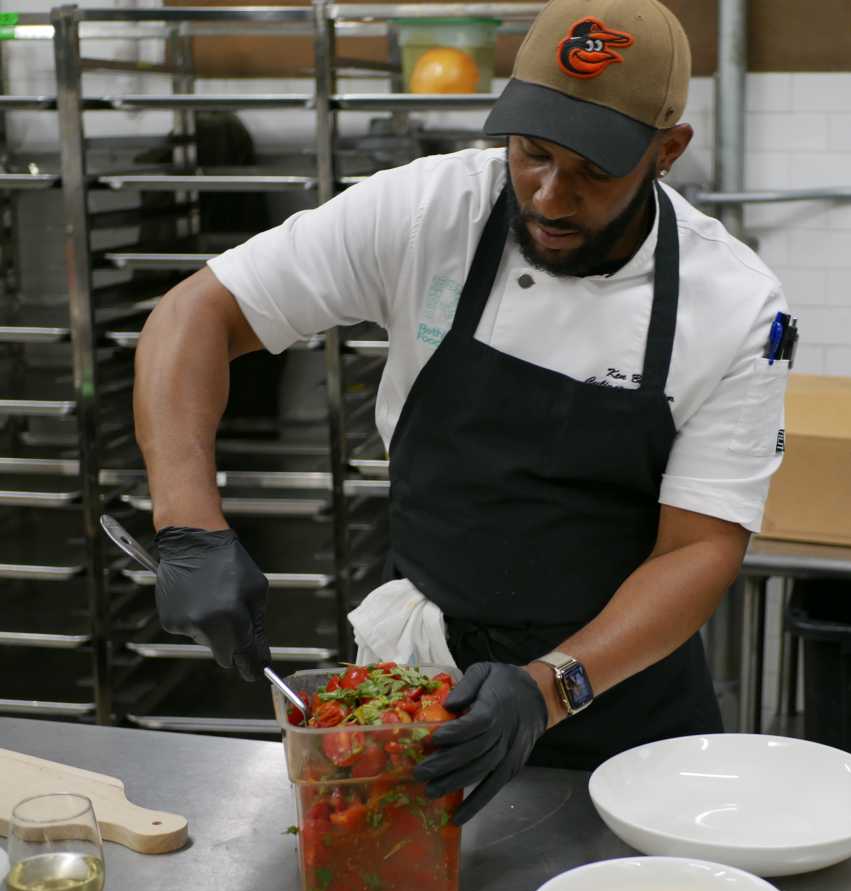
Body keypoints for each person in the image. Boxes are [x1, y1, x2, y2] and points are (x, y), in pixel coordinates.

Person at [133, 0, 791, 825]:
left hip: (621, 711)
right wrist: (189, 523)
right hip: (422, 691)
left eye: (592, 171)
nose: (550, 196)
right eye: (533, 153)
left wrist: (551, 687)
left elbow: (699, 549)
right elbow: (193, 316)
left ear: (668, 151)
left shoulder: (736, 305)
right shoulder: (430, 210)